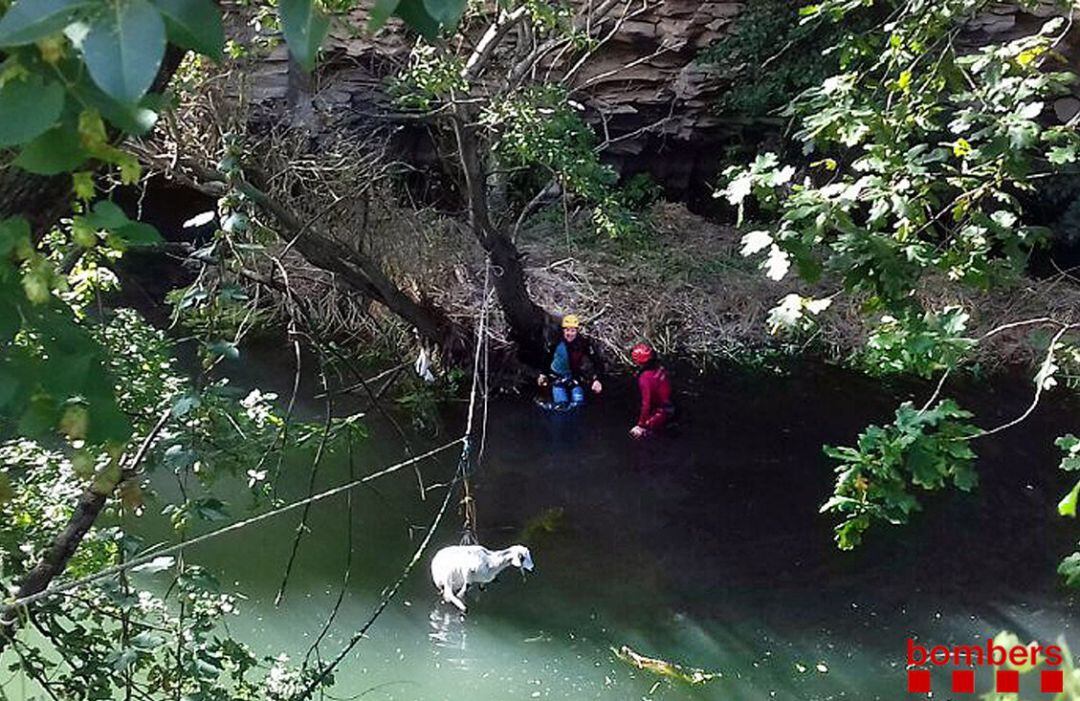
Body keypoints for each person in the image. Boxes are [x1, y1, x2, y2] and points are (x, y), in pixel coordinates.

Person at [538, 314, 604, 407]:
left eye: (573, 331)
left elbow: (596, 361)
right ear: (563, 330)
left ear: (577, 331)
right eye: (567, 330)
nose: (570, 334)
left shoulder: (583, 343)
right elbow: (546, 358)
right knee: (561, 404)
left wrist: (596, 380)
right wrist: (543, 374)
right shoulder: (555, 342)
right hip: (556, 377)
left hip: (575, 377)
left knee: (578, 404)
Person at [629, 343, 673, 438]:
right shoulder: (661, 368)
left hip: (660, 413)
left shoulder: (645, 378)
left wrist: (641, 425)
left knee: (637, 434)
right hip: (669, 407)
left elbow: (646, 404)